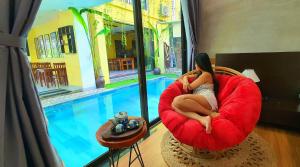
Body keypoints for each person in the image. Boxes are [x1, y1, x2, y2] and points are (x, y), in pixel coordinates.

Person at [172, 53, 219, 134]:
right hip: (200, 99)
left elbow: (189, 87)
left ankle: (210, 113)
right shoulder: (200, 74)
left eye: (196, 63)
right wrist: (186, 78)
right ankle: (202, 119)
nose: (195, 65)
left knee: (177, 100)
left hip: (207, 98)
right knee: (173, 105)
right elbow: (183, 79)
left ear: (201, 63)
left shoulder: (206, 74)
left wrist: (184, 81)